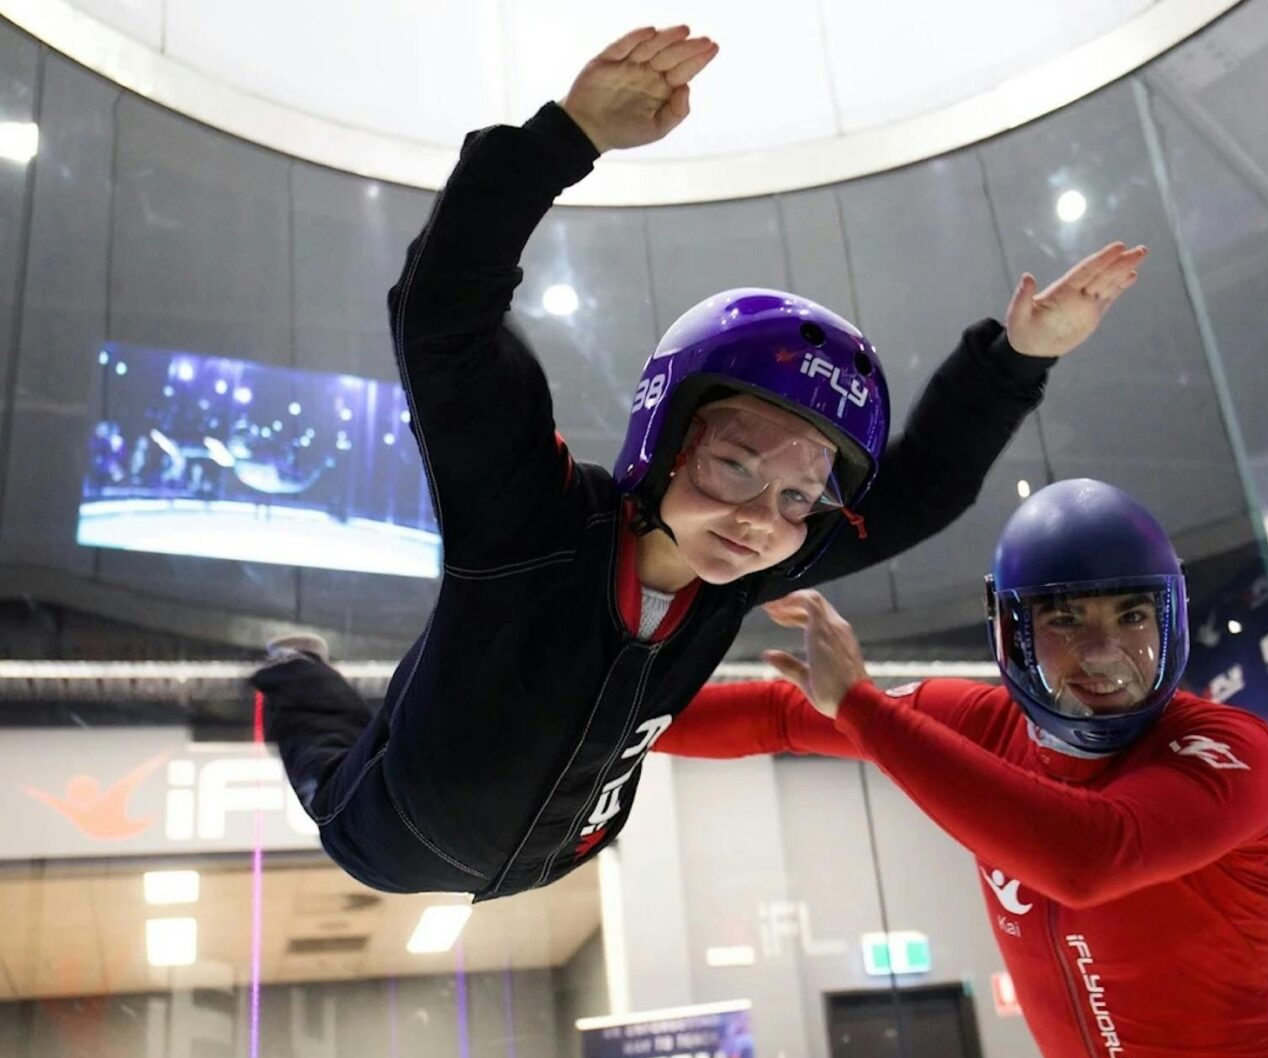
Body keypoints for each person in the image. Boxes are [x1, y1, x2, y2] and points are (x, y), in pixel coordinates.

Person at [251, 26, 1148, 902]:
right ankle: (293, 664)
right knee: (328, 752)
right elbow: (441, 318)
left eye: (799, 496)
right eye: (733, 466)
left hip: (559, 855)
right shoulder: (533, 516)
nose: (762, 517)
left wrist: (1017, 360)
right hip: (387, 834)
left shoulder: (740, 575)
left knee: (417, 704)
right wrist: (566, 139)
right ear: (663, 438)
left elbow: (917, 495)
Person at [657, 479, 1268, 1058]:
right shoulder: (982, 725)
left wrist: (861, 707)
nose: (1104, 653)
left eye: (1131, 616)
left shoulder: (1230, 748)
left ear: (1169, 617)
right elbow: (776, 713)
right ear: (1013, 631)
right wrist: (582, 732)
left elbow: (1088, 857)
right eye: (1065, 618)